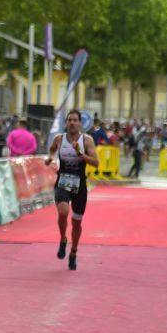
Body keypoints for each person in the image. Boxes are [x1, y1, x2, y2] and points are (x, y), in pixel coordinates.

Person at [44, 110, 98, 271]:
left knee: (76, 222)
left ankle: (73, 251)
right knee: (62, 211)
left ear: (80, 123)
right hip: (62, 181)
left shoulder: (86, 140)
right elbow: (52, 149)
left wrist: (80, 154)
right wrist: (50, 158)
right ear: (66, 123)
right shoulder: (59, 139)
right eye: (69, 120)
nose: (72, 123)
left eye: (75, 120)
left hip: (80, 185)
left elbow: (96, 163)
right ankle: (62, 239)